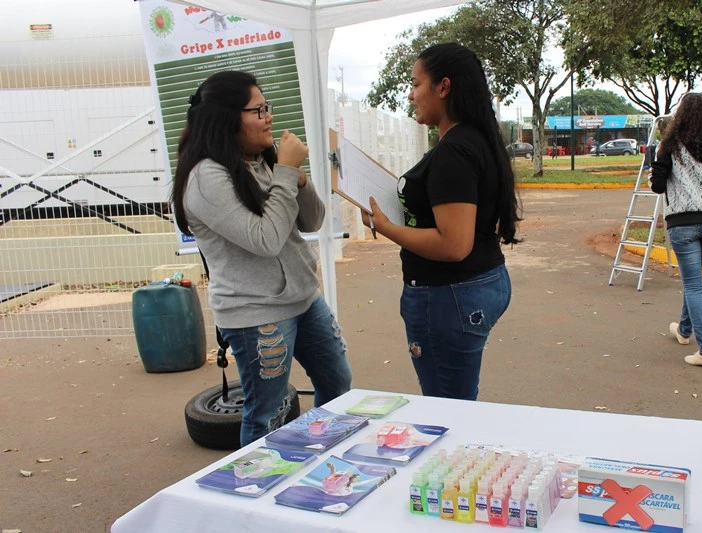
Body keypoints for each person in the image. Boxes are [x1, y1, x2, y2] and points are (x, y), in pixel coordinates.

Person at [171, 71, 351, 446]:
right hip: (256, 313)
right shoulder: (206, 177)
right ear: (226, 118)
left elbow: (313, 220)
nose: (269, 117)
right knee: (267, 412)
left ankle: (324, 453)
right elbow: (265, 240)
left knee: (337, 381)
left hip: (304, 298)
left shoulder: (262, 162)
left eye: (266, 107)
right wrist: (285, 171)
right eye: (258, 110)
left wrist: (297, 178)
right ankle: (255, 478)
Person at [362, 43, 522, 400]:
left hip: (449, 295)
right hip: (475, 284)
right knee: (456, 399)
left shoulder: (455, 150)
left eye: (416, 84)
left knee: (448, 407)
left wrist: (386, 228)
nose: (411, 95)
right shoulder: (475, 140)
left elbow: (453, 245)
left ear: (444, 87)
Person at [649, 93, 702, 367]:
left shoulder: (670, 146)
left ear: (680, 115)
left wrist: (656, 174)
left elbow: (658, 186)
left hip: (683, 223)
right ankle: (684, 331)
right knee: (692, 280)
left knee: (694, 285)